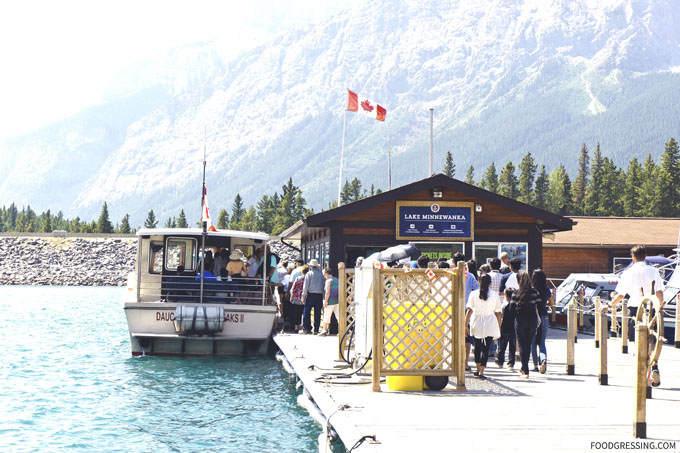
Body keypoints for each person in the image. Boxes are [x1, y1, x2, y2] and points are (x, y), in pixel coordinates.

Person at [606, 245, 665, 387]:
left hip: (635, 309)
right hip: (652, 308)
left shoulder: (628, 273)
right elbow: (659, 293)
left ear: (633, 257)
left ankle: (644, 374)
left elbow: (620, 294)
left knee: (639, 342)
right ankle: (653, 367)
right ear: (645, 256)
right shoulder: (654, 271)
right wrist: (659, 309)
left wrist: (609, 306)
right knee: (652, 341)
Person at [464, 273, 501, 379]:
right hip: (490, 322)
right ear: (490, 283)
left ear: (478, 281)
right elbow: (498, 312)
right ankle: (482, 371)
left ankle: (477, 367)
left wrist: (466, 324)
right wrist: (499, 325)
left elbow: (469, 310)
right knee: (486, 348)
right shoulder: (495, 295)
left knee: (477, 347)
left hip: (476, 321)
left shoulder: (473, 294)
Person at [453, 252, 480, 371]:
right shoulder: (470, 276)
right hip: (466, 308)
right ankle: (465, 362)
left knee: (452, 334)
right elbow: (477, 290)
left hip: (452, 308)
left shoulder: (450, 274)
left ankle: (454, 361)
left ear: (453, 262)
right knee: (467, 337)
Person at [511, 272, 541, 379]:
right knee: (528, 344)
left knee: (522, 344)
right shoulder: (535, 292)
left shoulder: (516, 293)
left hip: (521, 320)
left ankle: (525, 369)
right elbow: (539, 306)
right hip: (532, 319)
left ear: (519, 281)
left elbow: (511, 308)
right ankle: (525, 367)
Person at [531, 269, 551, 374]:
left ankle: (535, 365)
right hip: (544, 315)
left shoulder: (532, 289)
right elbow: (551, 303)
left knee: (533, 342)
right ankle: (543, 360)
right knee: (542, 342)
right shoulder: (547, 289)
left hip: (533, 317)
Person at [300, 259, 325, 334]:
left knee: (306, 312)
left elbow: (305, 286)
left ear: (311, 266)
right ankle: (316, 329)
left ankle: (305, 328)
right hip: (319, 295)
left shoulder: (309, 274)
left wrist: (303, 296)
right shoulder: (321, 274)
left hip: (310, 294)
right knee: (317, 313)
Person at [496, 288, 516, 369]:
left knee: (502, 346)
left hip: (504, 327)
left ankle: (500, 361)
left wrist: (499, 326)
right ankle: (511, 362)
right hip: (513, 327)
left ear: (506, 296)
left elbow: (501, 316)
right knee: (512, 347)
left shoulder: (504, 305)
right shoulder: (515, 305)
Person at [318, 268, 339, 336]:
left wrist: (325, 301)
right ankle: (342, 330)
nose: (324, 276)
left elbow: (327, 292)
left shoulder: (328, 281)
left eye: (324, 275)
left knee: (326, 316)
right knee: (339, 317)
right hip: (338, 301)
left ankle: (324, 330)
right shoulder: (337, 279)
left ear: (327, 274)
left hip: (330, 301)